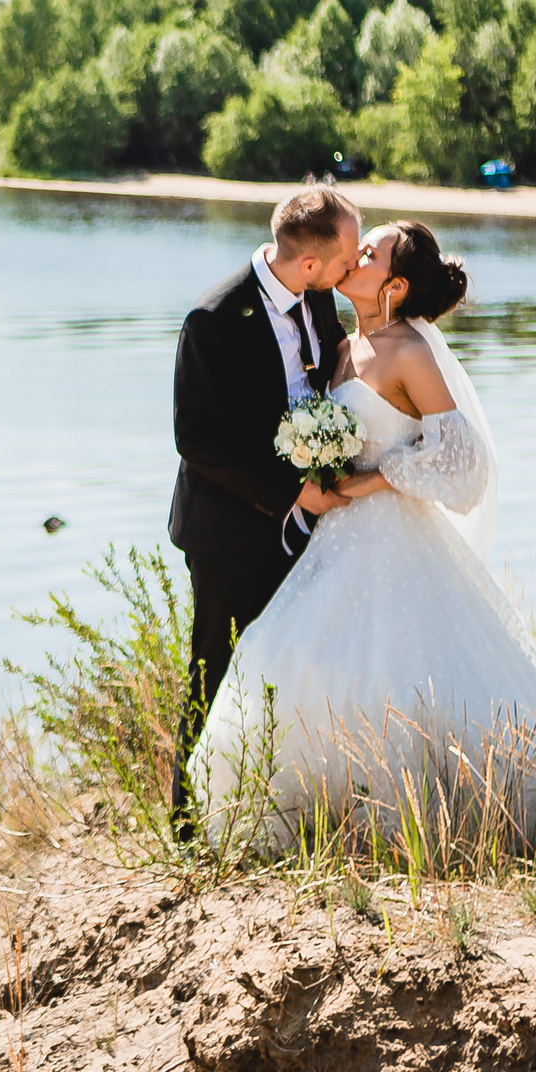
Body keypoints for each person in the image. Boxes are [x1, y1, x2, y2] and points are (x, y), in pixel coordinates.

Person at [187, 220, 536, 862]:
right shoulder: (345, 346)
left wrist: (374, 479)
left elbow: (463, 461)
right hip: (336, 540)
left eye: (369, 253)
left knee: (402, 678)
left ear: (394, 285)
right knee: (296, 661)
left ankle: (431, 825)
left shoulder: (407, 351)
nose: (355, 254)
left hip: (395, 538)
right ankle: (313, 818)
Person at [167, 186, 360, 820]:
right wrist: (291, 491)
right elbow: (197, 441)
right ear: (310, 263)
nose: (351, 266)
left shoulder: (320, 299)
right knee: (214, 669)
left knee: (291, 665)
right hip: (228, 532)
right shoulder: (214, 319)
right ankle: (189, 822)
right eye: (345, 257)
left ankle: (269, 809)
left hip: (305, 527)